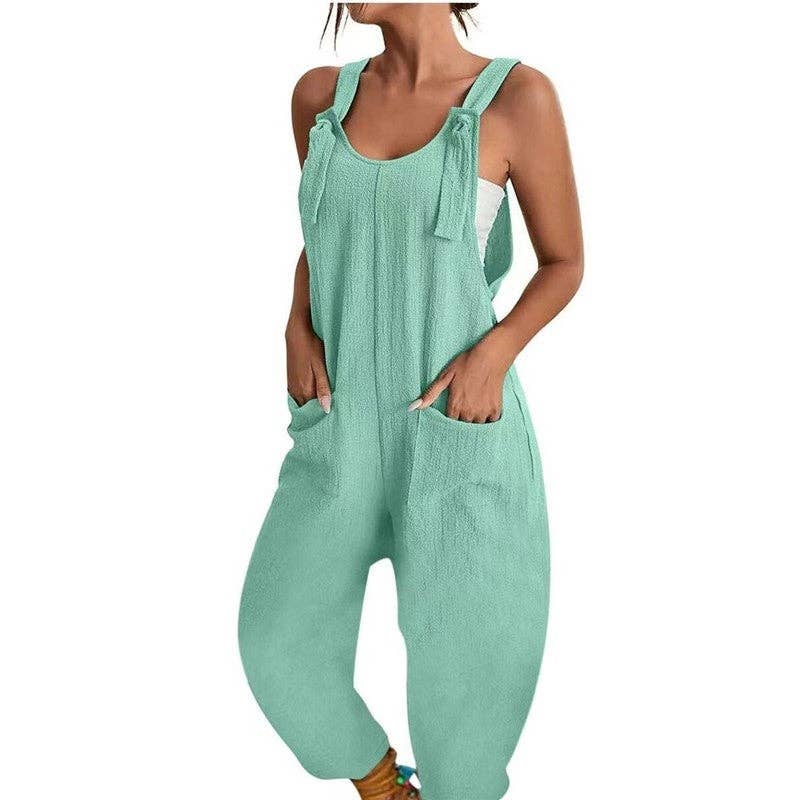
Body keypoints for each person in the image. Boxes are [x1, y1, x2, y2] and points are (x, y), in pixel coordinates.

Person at [239, 4, 583, 799]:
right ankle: (383, 785)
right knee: (275, 641)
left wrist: (494, 354)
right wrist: (294, 320)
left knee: (469, 695)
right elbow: (328, 232)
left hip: (457, 427)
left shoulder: (516, 99)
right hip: (338, 429)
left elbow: (564, 261)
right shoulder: (319, 98)